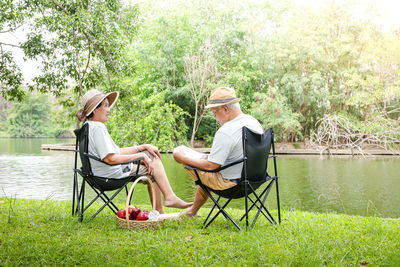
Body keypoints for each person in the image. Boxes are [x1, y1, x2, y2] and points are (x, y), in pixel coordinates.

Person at [76, 89, 192, 214]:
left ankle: (168, 199)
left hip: (96, 174)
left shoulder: (89, 126)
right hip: (109, 176)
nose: (109, 110)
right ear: (95, 109)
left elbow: (116, 152)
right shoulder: (98, 128)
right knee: (153, 169)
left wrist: (142, 147)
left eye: (108, 106)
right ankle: (164, 205)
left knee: (149, 154)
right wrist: (141, 155)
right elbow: (110, 159)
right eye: (105, 106)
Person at [173, 87, 263, 217]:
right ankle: (192, 211)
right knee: (205, 167)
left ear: (226, 109)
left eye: (214, 112)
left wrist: (182, 158)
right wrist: (208, 158)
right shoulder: (253, 122)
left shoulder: (226, 131)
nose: (215, 117)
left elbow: (212, 166)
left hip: (231, 185)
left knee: (198, 168)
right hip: (255, 180)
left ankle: (192, 211)